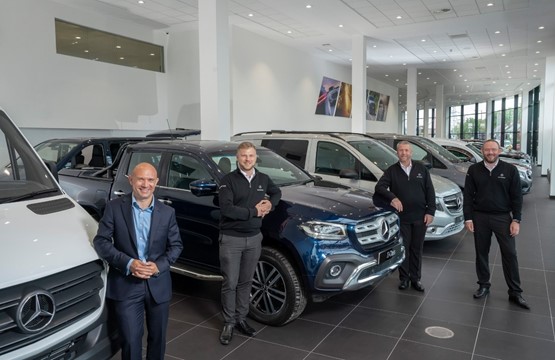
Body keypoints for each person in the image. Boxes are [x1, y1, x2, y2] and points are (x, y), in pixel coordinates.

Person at [93, 162, 183, 359]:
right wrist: (128, 263)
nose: (145, 184)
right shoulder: (114, 208)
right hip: (126, 285)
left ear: (156, 182)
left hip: (158, 285)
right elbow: (101, 242)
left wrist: (158, 266)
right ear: (131, 180)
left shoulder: (167, 213)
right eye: (141, 179)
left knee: (158, 340)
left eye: (150, 180)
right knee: (131, 341)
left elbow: (176, 246)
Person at [217, 142, 281, 345]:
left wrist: (271, 203)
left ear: (255, 158)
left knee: (246, 282)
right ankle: (228, 323)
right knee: (230, 283)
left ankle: (241, 319)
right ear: (238, 157)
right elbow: (227, 209)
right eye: (243, 156)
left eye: (251, 156)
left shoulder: (263, 179)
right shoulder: (228, 181)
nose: (247, 159)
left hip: (254, 238)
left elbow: (276, 192)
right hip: (231, 239)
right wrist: (254, 212)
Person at [463, 139, 529, 309]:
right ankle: (484, 285)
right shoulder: (474, 170)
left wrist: (516, 220)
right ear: (482, 152)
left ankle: (515, 292)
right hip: (480, 217)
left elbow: (517, 197)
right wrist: (468, 218)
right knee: (481, 253)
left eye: (493, 150)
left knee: (510, 254)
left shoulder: (510, 170)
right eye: (487, 150)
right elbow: (468, 196)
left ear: (499, 151)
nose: (490, 153)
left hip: (503, 218)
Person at [374, 140, 435, 292]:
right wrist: (392, 198)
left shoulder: (421, 169)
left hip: (421, 217)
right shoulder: (392, 171)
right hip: (402, 218)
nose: (404, 153)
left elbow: (430, 192)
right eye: (401, 150)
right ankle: (404, 279)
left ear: (411, 152)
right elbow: (379, 187)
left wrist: (430, 211)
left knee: (417, 249)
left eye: (406, 150)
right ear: (397, 152)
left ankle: (416, 279)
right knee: (404, 248)